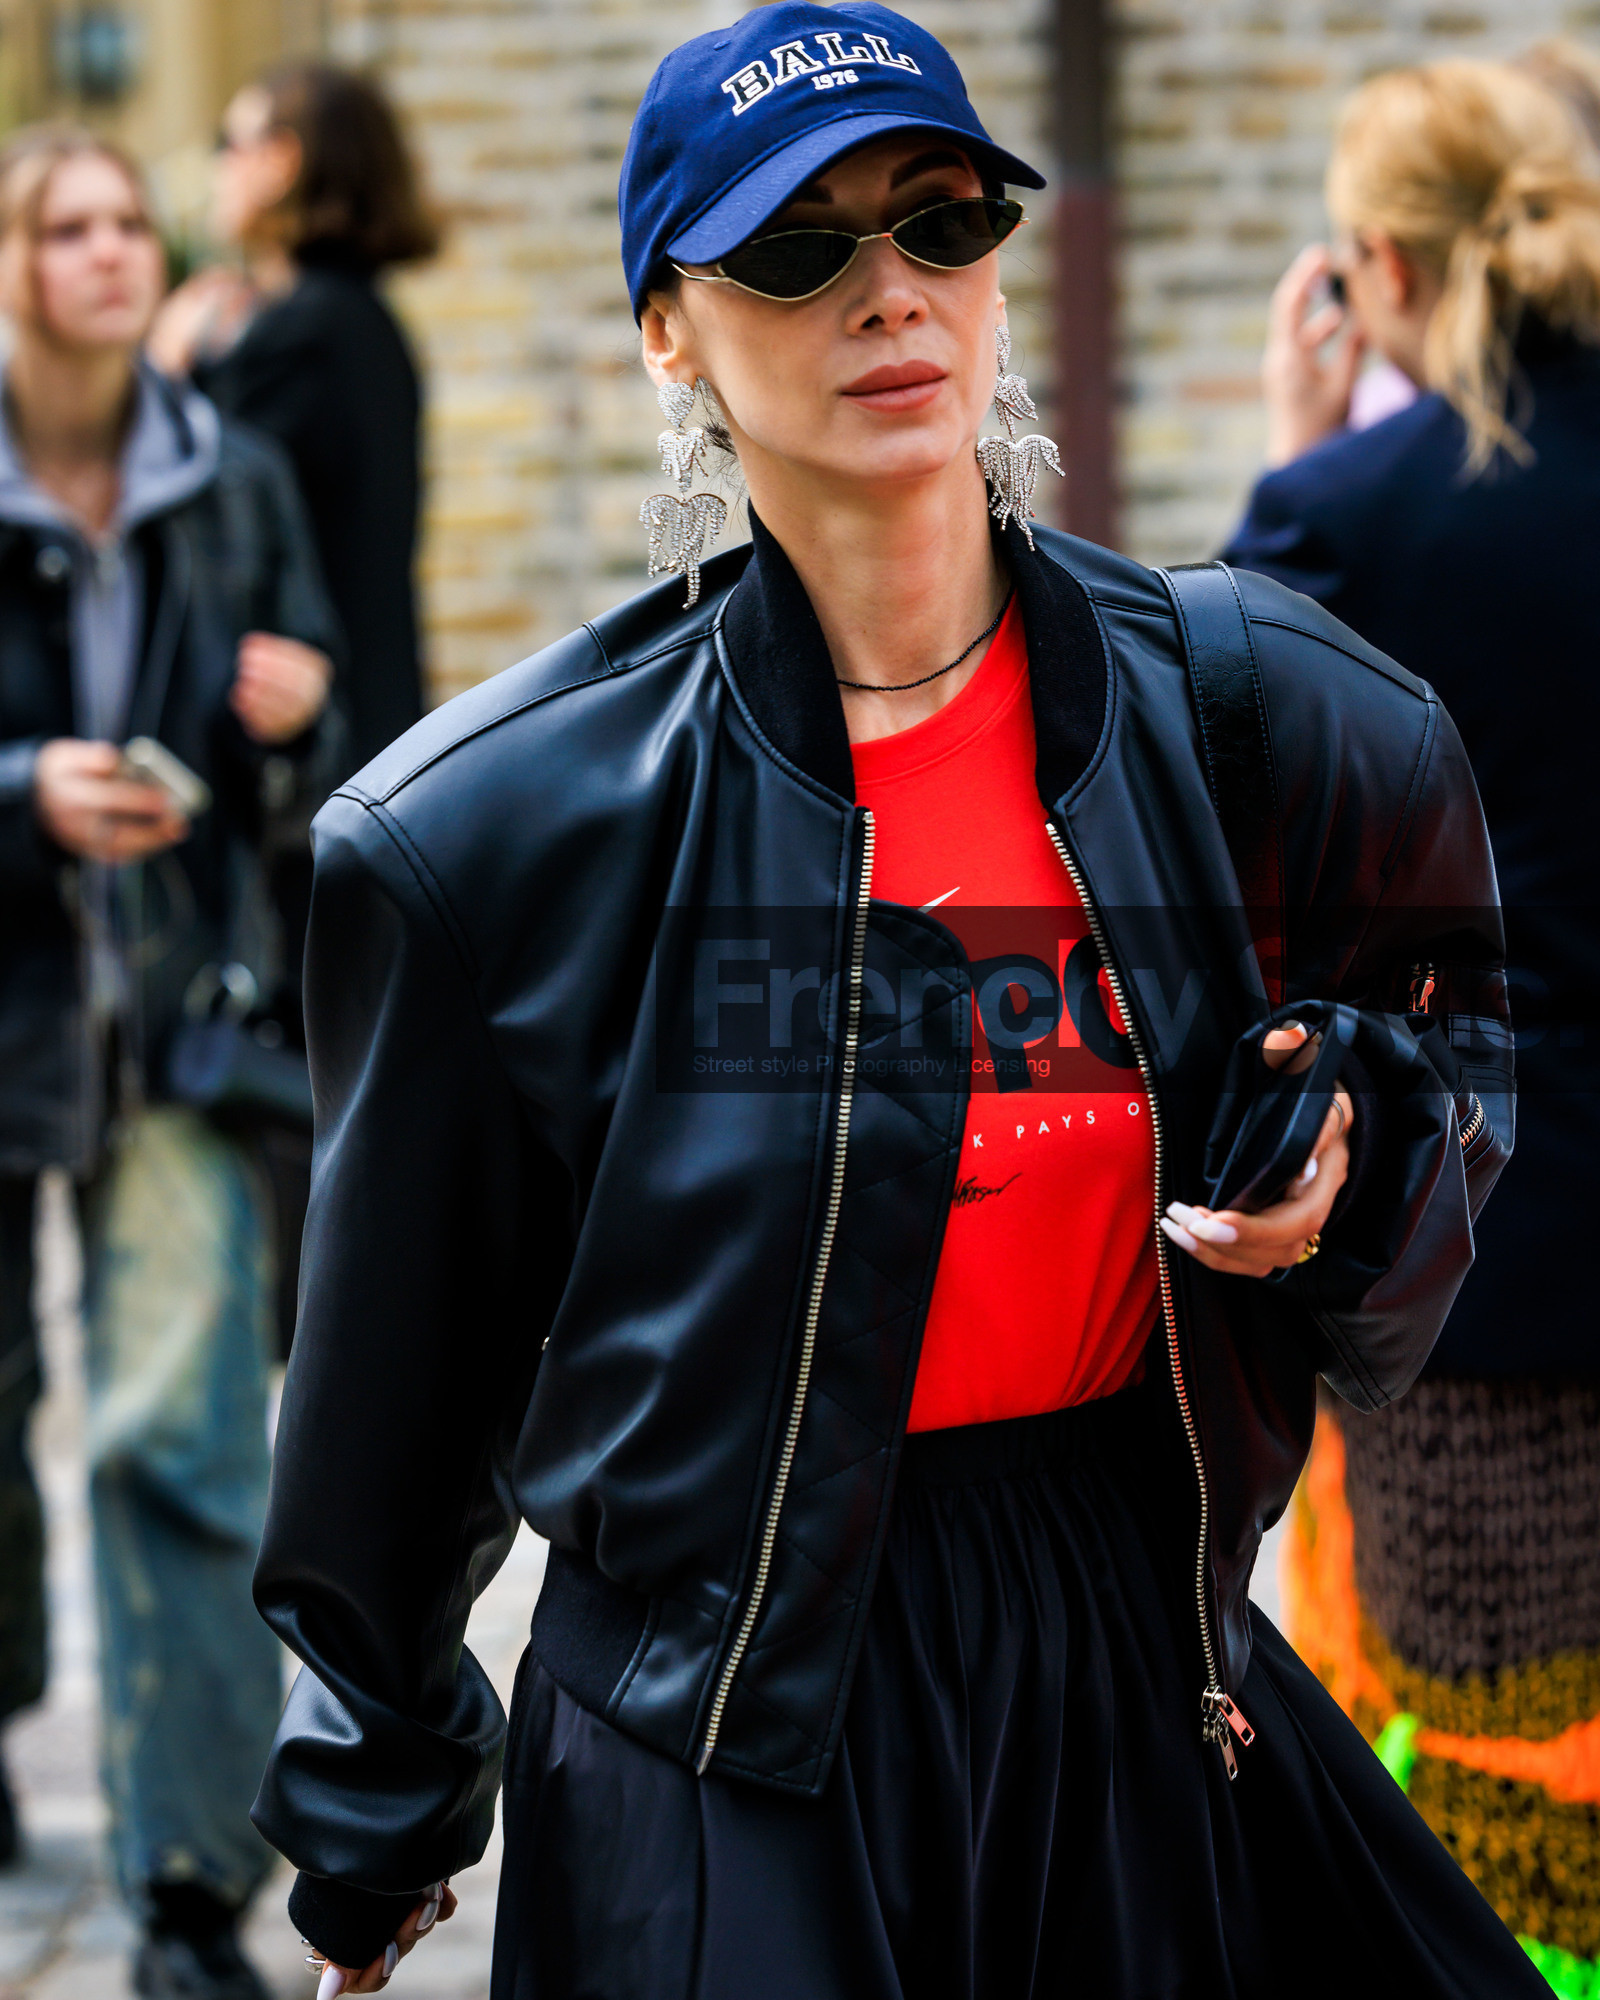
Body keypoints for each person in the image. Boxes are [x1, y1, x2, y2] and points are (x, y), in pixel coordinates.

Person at [251, 9, 1535, 1997]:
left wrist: (1355, 1149)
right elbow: (391, 1404)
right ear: (669, 328)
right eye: (795, 248)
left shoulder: (1244, 706)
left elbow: (1453, 1027)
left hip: (1116, 1653)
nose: (887, 294)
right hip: (724, 1710)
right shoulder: (493, 837)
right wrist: (378, 1808)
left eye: (938, 222)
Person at [1224, 58, 1600, 1983]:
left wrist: (1300, 452)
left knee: (1491, 1774)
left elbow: (1216, 803)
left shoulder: (1353, 513)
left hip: (1498, 1266)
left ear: (1372, 264)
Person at [0, 125, 339, 1997]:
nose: (113, 253)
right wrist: (19, 796)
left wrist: (292, 728)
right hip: (12, 1002)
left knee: (181, 1440)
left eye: (133, 221)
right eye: (69, 225)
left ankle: (192, 1889)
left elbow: (322, 756)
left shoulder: (237, 477)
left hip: (190, 1027)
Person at [147, 62, 440, 1362]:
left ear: (305, 162)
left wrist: (167, 365)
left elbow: (181, 500)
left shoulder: (305, 332)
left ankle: (310, 1350)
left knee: (291, 1055)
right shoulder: (351, 321)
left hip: (313, 745)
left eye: (242, 134)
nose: (220, 156)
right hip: (365, 727)